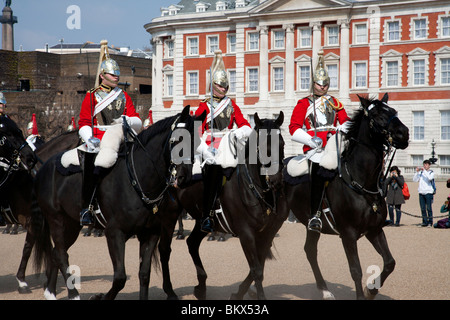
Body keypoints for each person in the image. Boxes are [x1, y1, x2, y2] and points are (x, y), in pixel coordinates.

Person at [289, 51, 350, 233]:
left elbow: (346, 122)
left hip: (333, 146)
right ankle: (315, 215)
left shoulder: (335, 103)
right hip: (314, 149)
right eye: (318, 83)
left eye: (324, 84)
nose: (322, 87)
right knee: (317, 172)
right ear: (313, 83)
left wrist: (338, 131)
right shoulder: (303, 103)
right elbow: (293, 127)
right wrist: (310, 139)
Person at [78, 54, 141, 226]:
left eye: (117, 74)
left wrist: (128, 121)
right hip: (98, 138)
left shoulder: (123, 95)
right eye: (113, 74)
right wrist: (89, 138)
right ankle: (87, 207)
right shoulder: (92, 95)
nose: (116, 77)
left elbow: (135, 117)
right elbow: (84, 121)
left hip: (120, 136)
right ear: (102, 75)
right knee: (91, 165)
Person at [195, 50, 252, 233]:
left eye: (226, 86)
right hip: (210, 147)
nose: (224, 89)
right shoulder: (204, 105)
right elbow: (196, 132)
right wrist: (205, 150)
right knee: (213, 172)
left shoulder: (231, 105)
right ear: (213, 85)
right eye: (221, 85)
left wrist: (238, 132)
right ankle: (208, 214)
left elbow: (244, 124)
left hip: (229, 144)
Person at [413, 159, 435, 227]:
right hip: (421, 192)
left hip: (428, 192)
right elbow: (414, 180)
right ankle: (424, 221)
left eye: (426, 165)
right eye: (424, 164)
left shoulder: (431, 172)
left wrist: (424, 171)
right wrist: (417, 172)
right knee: (423, 208)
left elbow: (429, 178)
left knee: (429, 208)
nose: (425, 166)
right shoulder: (421, 173)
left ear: (429, 165)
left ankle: (430, 222)